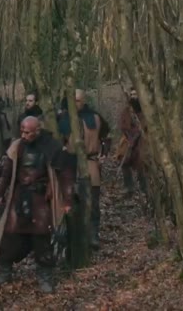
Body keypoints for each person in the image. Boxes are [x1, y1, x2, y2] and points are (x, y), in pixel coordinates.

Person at [0, 117, 75, 293]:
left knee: (42, 237)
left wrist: (67, 200)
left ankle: (45, 276)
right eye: (22, 131)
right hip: (19, 197)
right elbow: (6, 172)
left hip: (41, 200)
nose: (23, 135)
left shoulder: (52, 147)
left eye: (27, 132)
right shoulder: (17, 146)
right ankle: (4, 272)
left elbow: (66, 174)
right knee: (9, 235)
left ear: (37, 131)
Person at [58, 89, 112, 249]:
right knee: (68, 203)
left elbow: (106, 137)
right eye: (72, 100)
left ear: (84, 101)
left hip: (90, 163)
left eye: (78, 100)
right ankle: (71, 237)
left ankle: (93, 235)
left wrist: (104, 154)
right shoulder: (62, 118)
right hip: (69, 165)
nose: (75, 103)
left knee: (92, 202)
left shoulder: (95, 117)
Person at [117, 87, 148, 197]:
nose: (134, 97)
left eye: (136, 94)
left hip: (143, 140)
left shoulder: (146, 109)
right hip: (129, 139)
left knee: (142, 163)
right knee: (123, 159)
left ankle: (144, 189)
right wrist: (131, 137)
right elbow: (123, 126)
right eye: (132, 95)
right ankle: (128, 187)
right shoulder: (127, 110)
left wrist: (141, 132)